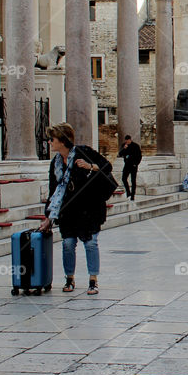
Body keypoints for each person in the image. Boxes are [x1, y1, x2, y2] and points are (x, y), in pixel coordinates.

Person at [38, 122, 111, 295]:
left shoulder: (83, 152)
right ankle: (69, 278)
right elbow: (53, 190)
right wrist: (48, 217)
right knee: (68, 244)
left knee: (90, 243)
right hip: (68, 210)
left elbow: (107, 166)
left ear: (62, 140)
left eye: (52, 139)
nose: (50, 142)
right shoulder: (55, 163)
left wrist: (90, 166)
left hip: (89, 208)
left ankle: (93, 280)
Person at [117, 135, 142, 200]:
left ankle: (132, 195)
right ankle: (128, 192)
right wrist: (124, 148)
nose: (127, 142)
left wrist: (136, 164)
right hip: (127, 165)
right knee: (124, 178)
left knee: (133, 180)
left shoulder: (135, 146)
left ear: (130, 140)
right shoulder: (124, 145)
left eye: (128, 140)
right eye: (126, 141)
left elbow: (139, 156)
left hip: (133, 165)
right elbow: (120, 154)